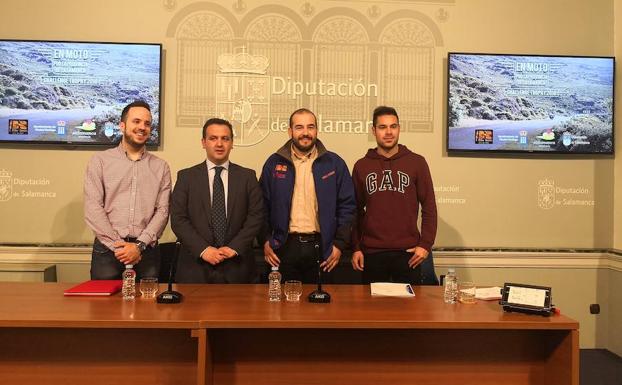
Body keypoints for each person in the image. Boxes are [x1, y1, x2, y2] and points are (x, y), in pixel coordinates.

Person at [260, 108, 355, 283]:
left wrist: (339, 245)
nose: (305, 133)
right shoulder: (273, 163)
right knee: (284, 306)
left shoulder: (334, 163)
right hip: (284, 248)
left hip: (322, 248)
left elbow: (347, 207)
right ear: (290, 131)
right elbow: (261, 207)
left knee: (321, 307)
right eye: (299, 127)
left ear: (317, 130)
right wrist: (266, 241)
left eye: (310, 127)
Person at [84, 100, 171, 280]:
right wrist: (119, 246)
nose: (142, 127)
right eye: (136, 121)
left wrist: (138, 246)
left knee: (147, 307)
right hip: (107, 251)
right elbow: (93, 208)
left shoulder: (161, 167)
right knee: (104, 307)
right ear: (122, 125)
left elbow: (163, 211)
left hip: (146, 252)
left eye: (147, 123)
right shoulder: (100, 161)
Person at [351, 106, 438, 284]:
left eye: (393, 126)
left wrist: (425, 245)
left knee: (409, 311)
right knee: (372, 311)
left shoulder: (417, 163)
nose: (388, 132)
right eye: (382, 127)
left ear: (399, 128)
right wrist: (356, 248)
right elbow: (354, 211)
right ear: (373, 130)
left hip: (408, 253)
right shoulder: (362, 166)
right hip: (372, 254)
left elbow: (429, 207)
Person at [171, 118, 263, 283]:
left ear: (232, 143)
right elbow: (178, 219)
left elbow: (256, 217)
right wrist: (204, 250)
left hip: (238, 267)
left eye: (225, 138)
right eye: (213, 138)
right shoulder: (186, 177)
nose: (219, 144)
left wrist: (234, 247)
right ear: (203, 142)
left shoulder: (248, 177)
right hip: (195, 267)